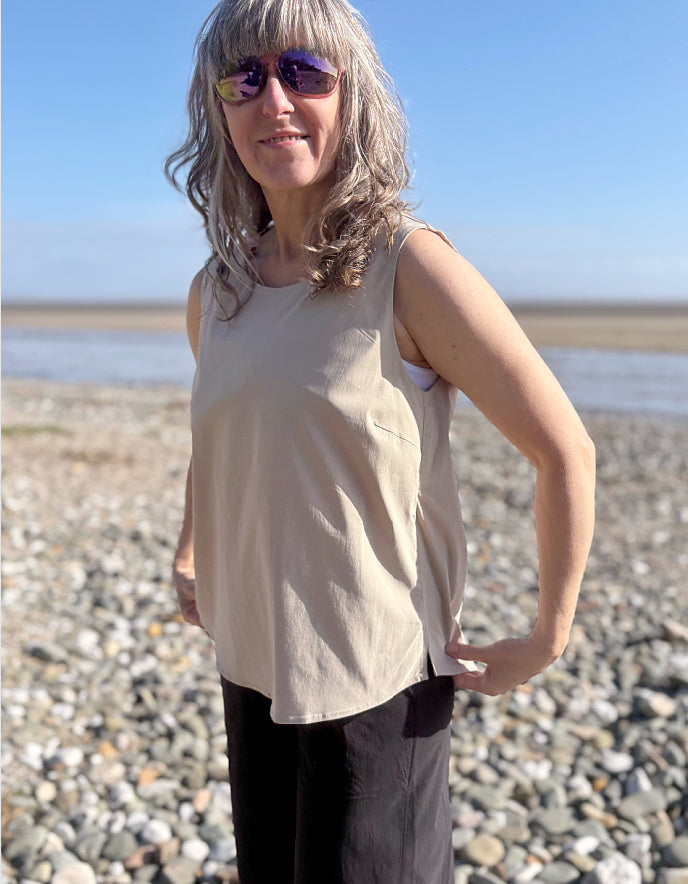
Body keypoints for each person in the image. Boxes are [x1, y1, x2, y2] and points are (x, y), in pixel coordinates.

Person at [166, 0, 596, 881]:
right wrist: (191, 553)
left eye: (302, 73)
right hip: (250, 662)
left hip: (377, 685)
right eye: (243, 79)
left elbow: (563, 449)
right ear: (218, 111)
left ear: (351, 95)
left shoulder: (407, 265)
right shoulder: (218, 291)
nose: (273, 101)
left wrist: (548, 635)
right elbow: (216, 432)